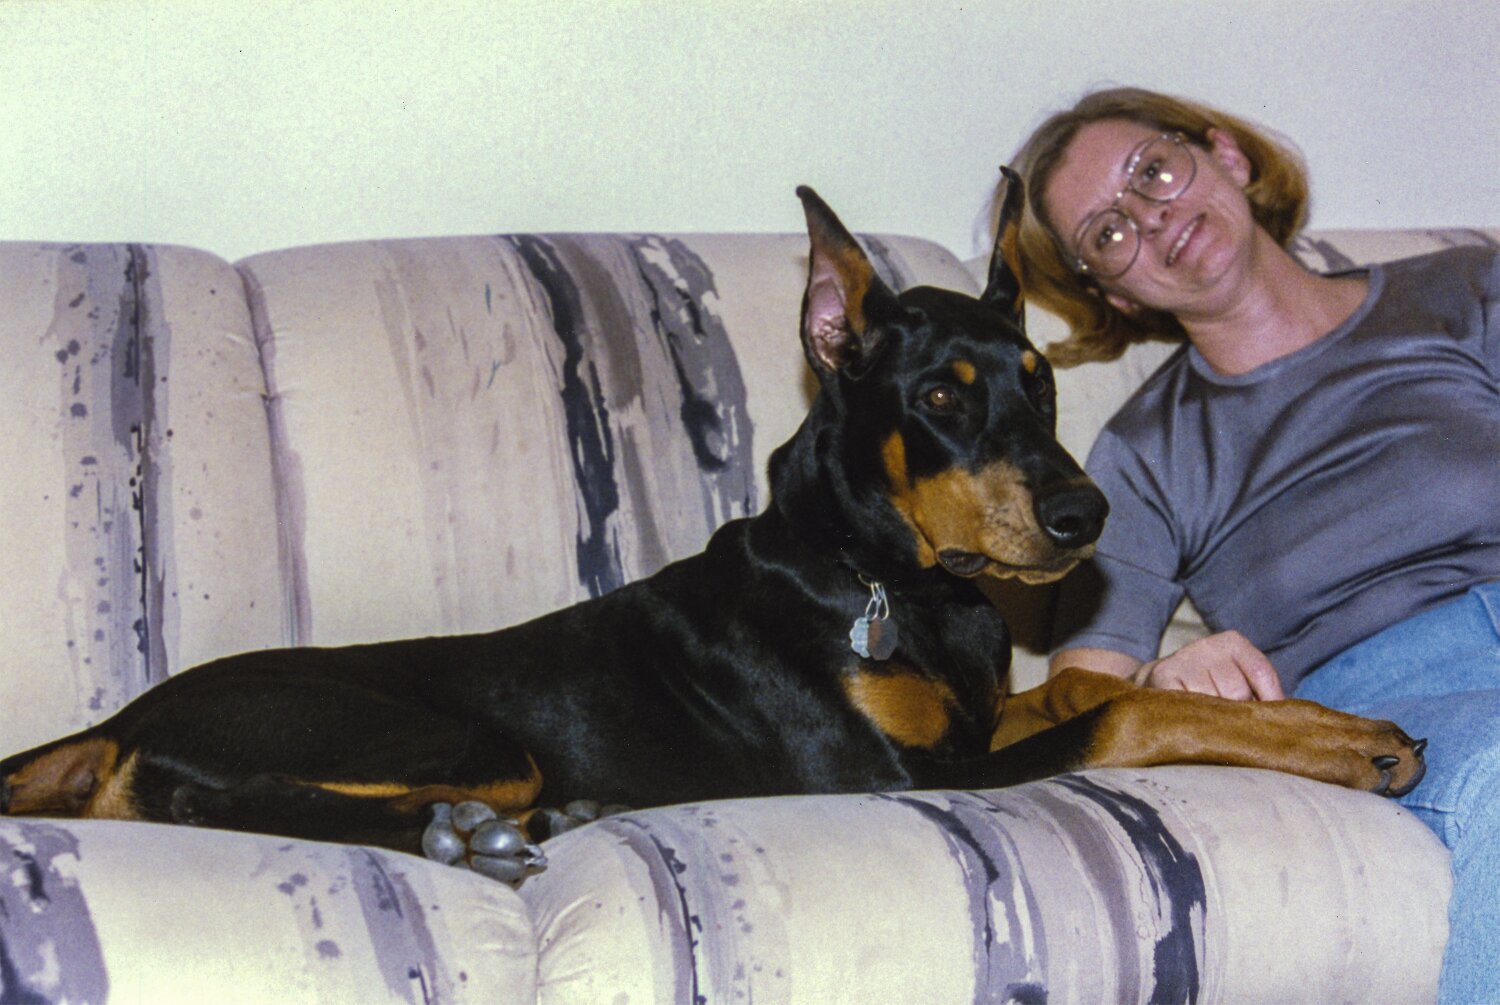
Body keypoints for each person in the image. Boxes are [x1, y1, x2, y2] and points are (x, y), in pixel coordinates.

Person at [1008, 86, 1500, 1004]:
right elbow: (1075, 702)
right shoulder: (1143, 451)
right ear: (1113, 292)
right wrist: (1166, 680)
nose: (1151, 218)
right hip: (1393, 693)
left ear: (1226, 155)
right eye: (1109, 233)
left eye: (1153, 171)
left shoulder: (1468, 288)